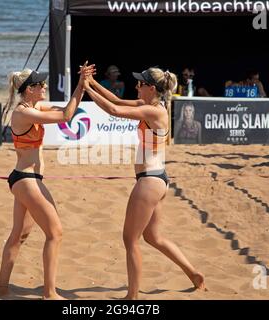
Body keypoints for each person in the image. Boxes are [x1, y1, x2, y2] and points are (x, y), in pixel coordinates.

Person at [83, 66, 206, 300]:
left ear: (151, 88)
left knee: (130, 240)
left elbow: (113, 110)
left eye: (140, 84)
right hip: (157, 179)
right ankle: (193, 273)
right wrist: (92, 82)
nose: (137, 86)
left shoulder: (154, 112)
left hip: (149, 181)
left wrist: (86, 88)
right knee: (154, 237)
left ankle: (132, 297)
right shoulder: (151, 106)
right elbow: (116, 99)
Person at [0, 62, 94, 299]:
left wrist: (83, 87)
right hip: (26, 179)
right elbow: (67, 115)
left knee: (19, 235)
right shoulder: (23, 112)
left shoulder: (35, 105)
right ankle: (50, 293)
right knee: (55, 233)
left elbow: (64, 108)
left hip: (26, 178)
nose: (44, 87)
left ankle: (1, 290)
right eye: (40, 84)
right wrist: (81, 85)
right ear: (29, 89)